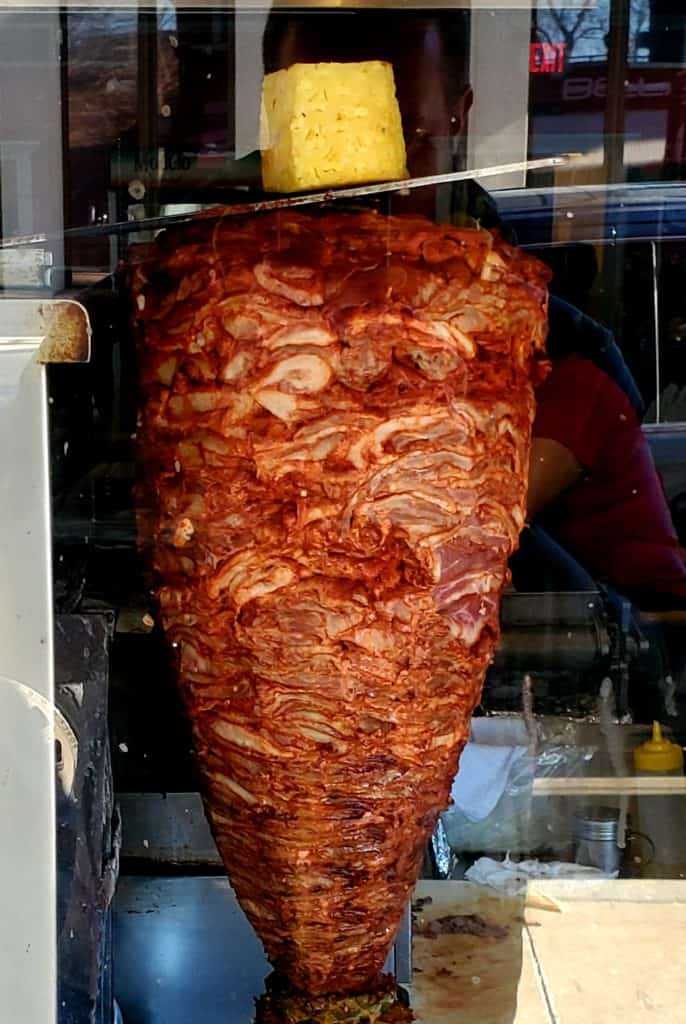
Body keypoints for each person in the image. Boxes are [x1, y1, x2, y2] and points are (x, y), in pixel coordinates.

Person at [262, 8, 686, 613]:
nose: (366, 186)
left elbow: (423, 541)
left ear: (457, 118)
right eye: (320, 140)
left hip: (618, 665)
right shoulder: (275, 324)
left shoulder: (542, 355)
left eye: (407, 137)